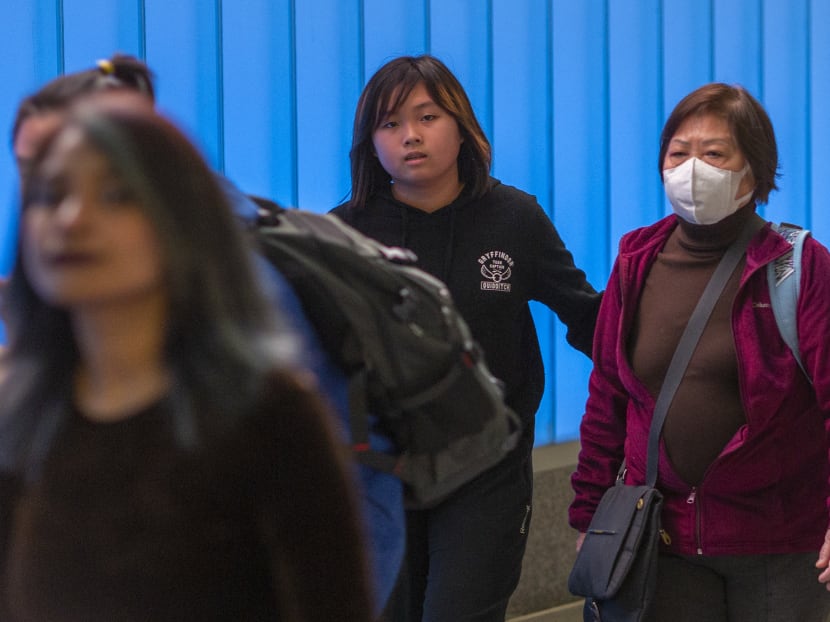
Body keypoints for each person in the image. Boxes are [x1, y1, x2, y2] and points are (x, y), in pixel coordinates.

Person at [6, 54, 405, 615]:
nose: (70, 218)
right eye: (45, 191)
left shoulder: (267, 411)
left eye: (116, 193)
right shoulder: (22, 410)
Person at [331, 54, 602, 622]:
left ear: (461, 126)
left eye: (427, 116)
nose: (410, 136)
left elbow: (590, 320)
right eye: (389, 124)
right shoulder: (344, 234)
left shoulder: (514, 217)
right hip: (384, 474)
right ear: (370, 144)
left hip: (488, 468)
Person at [569, 82, 830, 621]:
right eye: (678, 152)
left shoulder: (798, 267)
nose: (692, 168)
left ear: (754, 170)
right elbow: (608, 397)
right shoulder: (636, 260)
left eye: (714, 153)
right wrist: (590, 512)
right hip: (660, 537)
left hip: (779, 541)